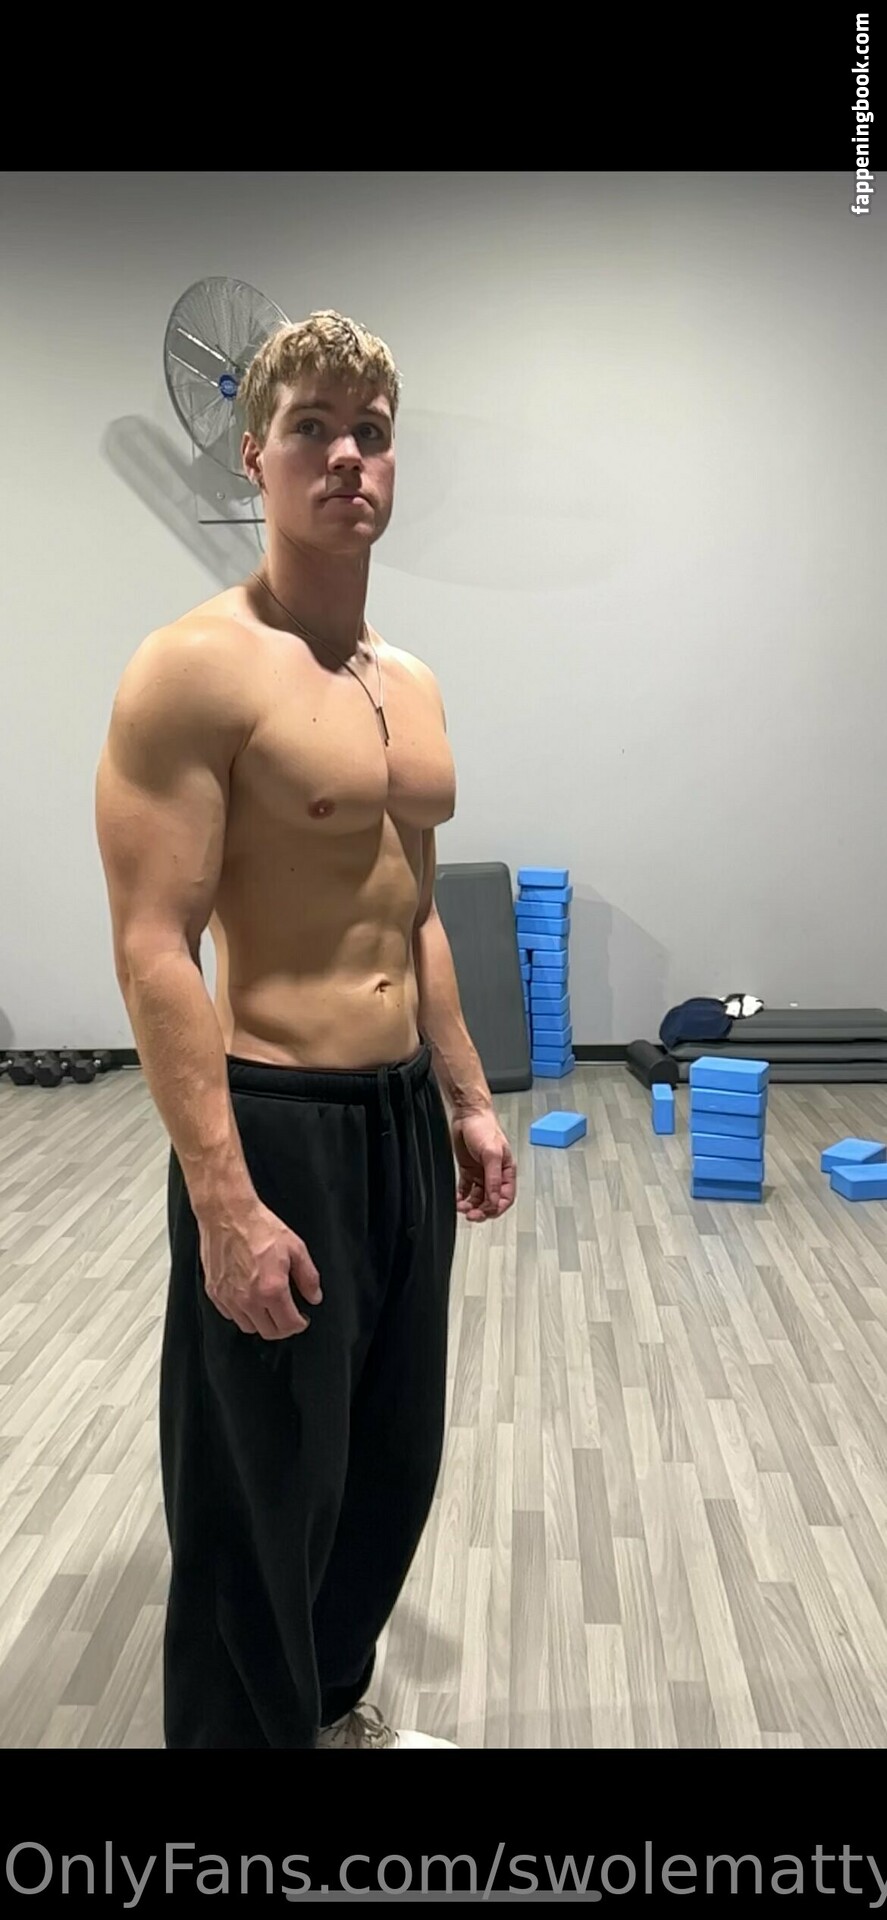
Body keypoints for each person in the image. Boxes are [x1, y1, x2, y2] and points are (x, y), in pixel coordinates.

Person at [95, 310, 516, 1750]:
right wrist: (223, 1202)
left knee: (387, 1464)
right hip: (277, 1121)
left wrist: (466, 1095)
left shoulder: (412, 683)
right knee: (257, 1492)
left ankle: (330, 1715)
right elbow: (155, 947)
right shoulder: (195, 670)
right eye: (313, 429)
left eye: (371, 433)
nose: (347, 456)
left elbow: (413, 910)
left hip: (400, 1120)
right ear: (254, 457)